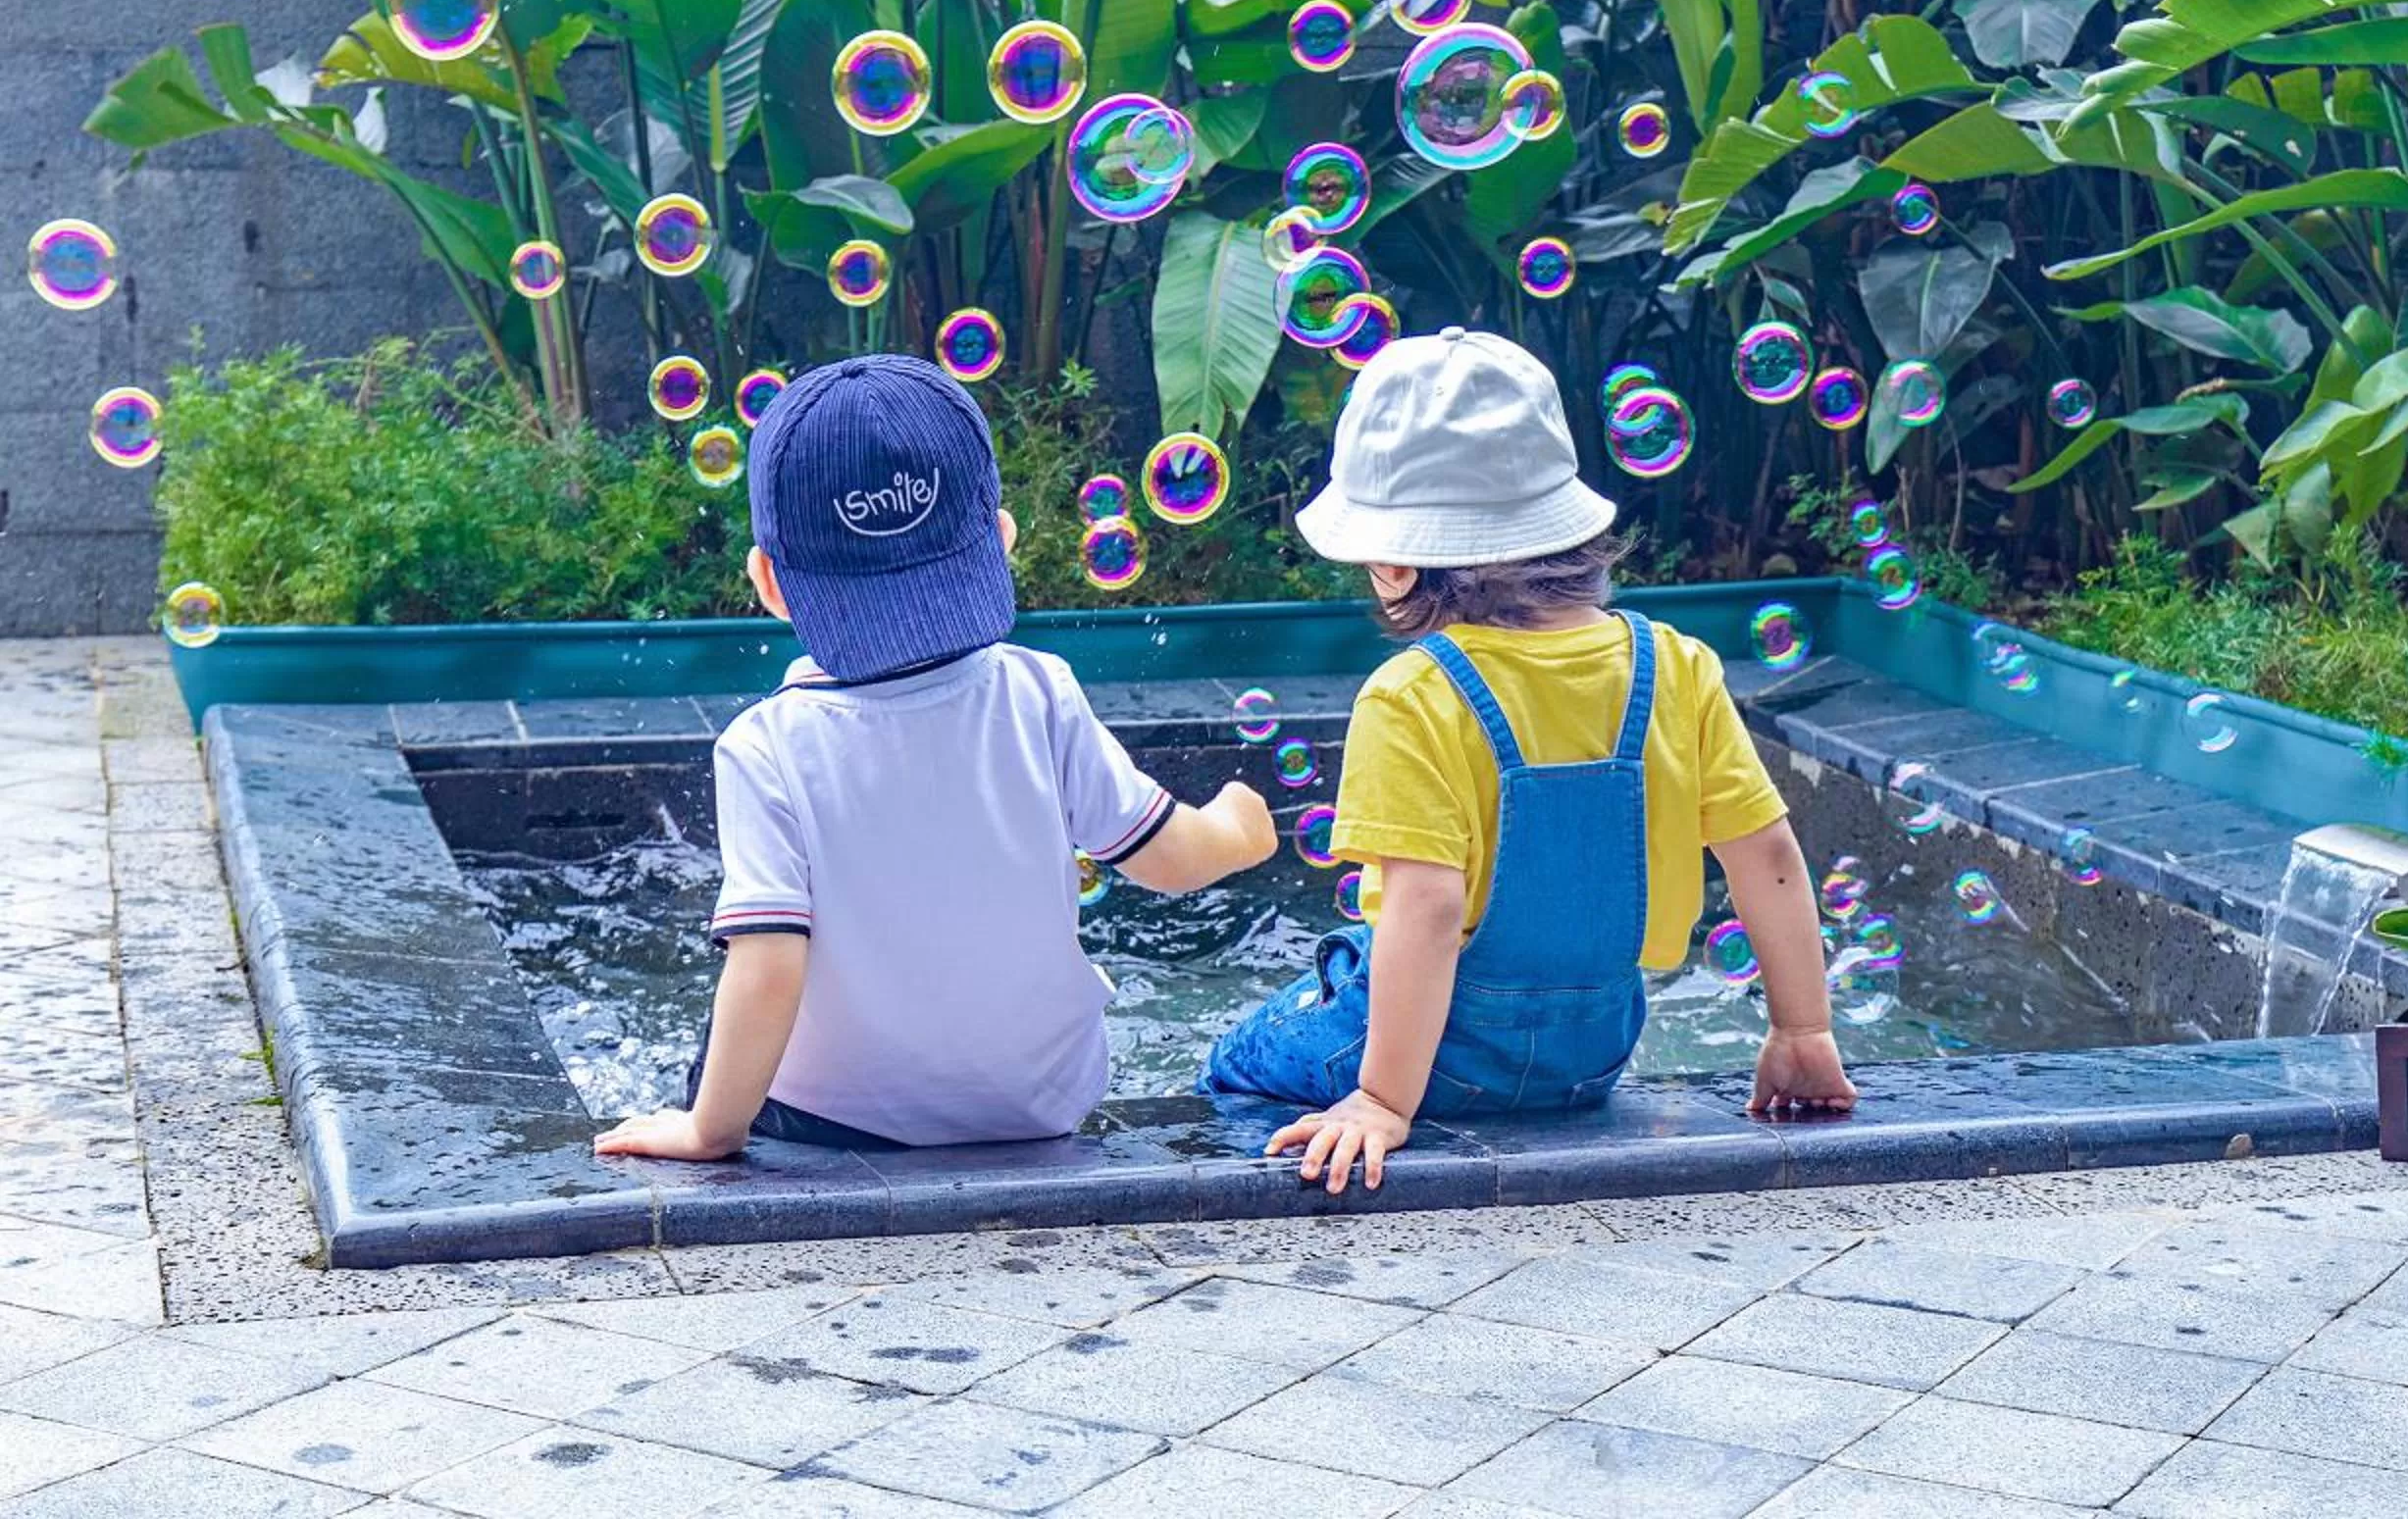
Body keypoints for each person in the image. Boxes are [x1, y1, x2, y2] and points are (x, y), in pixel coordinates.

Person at [1204, 328, 1854, 1192]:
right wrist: (1803, 1034)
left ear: (1395, 558)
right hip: (1595, 1052)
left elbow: (1428, 910)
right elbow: (1766, 856)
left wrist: (1382, 1102)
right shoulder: (1679, 667)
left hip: (1435, 1061)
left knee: (1236, 1060)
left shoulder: (1412, 695)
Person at [596, 355, 1274, 1160]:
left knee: (730, 1014)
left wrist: (711, 1130)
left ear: (769, 583)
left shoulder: (763, 744)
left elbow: (770, 964)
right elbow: (1169, 860)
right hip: (1037, 1104)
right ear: (1001, 538)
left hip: (834, 1119)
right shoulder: (1039, 691)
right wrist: (1239, 826)